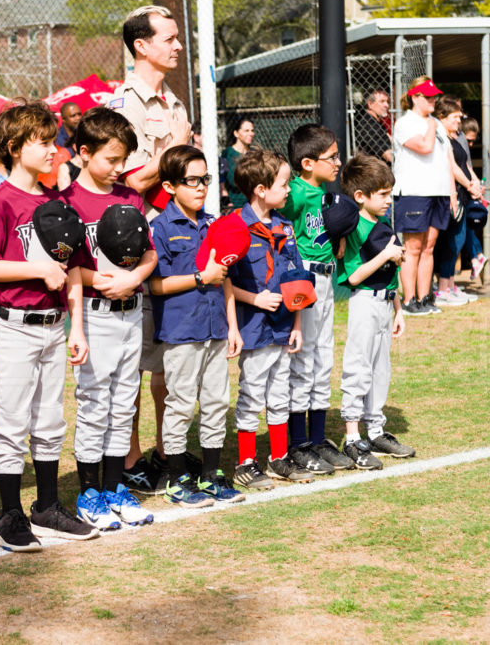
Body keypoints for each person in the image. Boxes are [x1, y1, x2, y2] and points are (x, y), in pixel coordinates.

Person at [0, 100, 99, 552]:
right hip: (17, 326)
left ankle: (46, 506)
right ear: (14, 147)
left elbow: (76, 270)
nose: (53, 150)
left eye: (53, 141)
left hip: (55, 325)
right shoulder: (0, 200)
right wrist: (36, 268)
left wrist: (77, 327)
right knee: (12, 419)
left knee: (50, 419)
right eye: (42, 143)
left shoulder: (56, 202)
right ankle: (10, 514)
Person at [108, 5, 192, 494]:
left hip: (176, 240)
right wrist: (175, 147)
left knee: (167, 360)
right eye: (169, 38)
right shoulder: (126, 104)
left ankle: (166, 449)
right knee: (134, 364)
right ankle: (132, 457)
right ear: (142, 45)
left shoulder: (174, 101)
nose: (177, 45)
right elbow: (132, 179)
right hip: (139, 245)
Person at [63, 108, 156, 529]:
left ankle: (116, 487)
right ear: (83, 152)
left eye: (124, 161)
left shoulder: (130, 197)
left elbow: (150, 252)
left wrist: (134, 276)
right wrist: (96, 279)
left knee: (124, 404)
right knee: (94, 404)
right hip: (95, 315)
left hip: (132, 311)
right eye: (111, 160)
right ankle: (89, 492)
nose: (120, 169)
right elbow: (62, 266)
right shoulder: (66, 203)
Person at [149, 144, 243, 506]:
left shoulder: (214, 225)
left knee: (218, 402)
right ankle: (176, 479)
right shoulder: (160, 228)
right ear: (170, 185)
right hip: (181, 332)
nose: (201, 187)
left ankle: (210, 476)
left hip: (216, 329)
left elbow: (227, 281)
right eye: (192, 181)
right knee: (181, 405)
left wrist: (233, 327)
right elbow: (155, 285)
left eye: (205, 179)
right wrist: (199, 278)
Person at [226, 149, 313, 489]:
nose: (289, 189)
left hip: (282, 325)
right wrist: (255, 298)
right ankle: (245, 463)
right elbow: (225, 281)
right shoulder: (235, 227)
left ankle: (278, 458)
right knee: (252, 394)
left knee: (280, 393)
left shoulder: (285, 227)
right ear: (261, 189)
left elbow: (295, 279)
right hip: (253, 327)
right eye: (284, 183)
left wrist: (297, 324)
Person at [280, 124, 352, 472]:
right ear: (307, 162)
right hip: (303, 276)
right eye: (332, 157)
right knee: (303, 358)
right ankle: (298, 443)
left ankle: (319, 437)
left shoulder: (324, 193)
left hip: (325, 277)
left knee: (324, 354)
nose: (338, 162)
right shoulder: (293, 192)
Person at [336, 154, 414, 469]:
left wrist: (398, 309)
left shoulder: (382, 226)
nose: (388, 200)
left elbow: (390, 273)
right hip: (364, 302)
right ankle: (353, 436)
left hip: (384, 303)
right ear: (360, 196)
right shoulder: (354, 227)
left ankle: (376, 429)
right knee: (359, 367)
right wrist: (385, 255)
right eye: (381, 194)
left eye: (388, 193)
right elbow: (354, 276)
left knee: (381, 370)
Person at [392, 77, 455, 315]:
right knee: (413, 247)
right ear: (415, 98)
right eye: (427, 97)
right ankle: (408, 300)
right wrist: (429, 125)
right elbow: (425, 147)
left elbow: (446, 157)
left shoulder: (436, 123)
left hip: (437, 192)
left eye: (434, 96)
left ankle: (424, 297)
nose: (433, 100)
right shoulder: (406, 123)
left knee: (429, 247)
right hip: (414, 192)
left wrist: (451, 191)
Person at [432, 95, 481, 306]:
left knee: (458, 241)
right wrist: (469, 186)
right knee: (451, 242)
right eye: (454, 117)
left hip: (462, 193)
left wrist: (475, 183)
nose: (458, 121)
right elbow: (451, 167)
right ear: (441, 117)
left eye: (459, 117)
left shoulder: (455, 138)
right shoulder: (440, 137)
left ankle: (450, 286)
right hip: (451, 193)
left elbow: (465, 165)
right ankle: (442, 289)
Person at [460, 117, 488, 282]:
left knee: (468, 224)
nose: (470, 145)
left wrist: (476, 186)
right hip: (461, 189)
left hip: (468, 188)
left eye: (473, 141)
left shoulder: (464, 148)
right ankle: (476, 255)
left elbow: (468, 168)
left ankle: (476, 256)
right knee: (463, 227)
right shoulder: (458, 142)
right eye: (468, 141)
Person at [220, 117, 254, 209]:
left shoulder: (254, 154)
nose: (251, 133)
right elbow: (222, 178)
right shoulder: (227, 154)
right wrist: (225, 196)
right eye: (246, 131)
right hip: (234, 204)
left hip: (252, 205)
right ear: (236, 133)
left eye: (252, 130)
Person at [354, 89, 393, 164]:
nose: (387, 105)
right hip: (373, 172)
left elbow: (391, 140)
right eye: (382, 101)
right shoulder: (368, 124)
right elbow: (388, 155)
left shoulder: (376, 122)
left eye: (387, 102)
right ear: (370, 104)